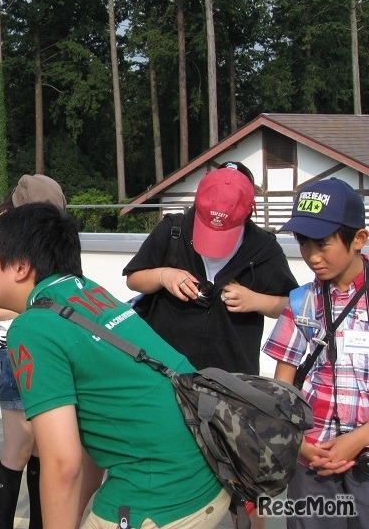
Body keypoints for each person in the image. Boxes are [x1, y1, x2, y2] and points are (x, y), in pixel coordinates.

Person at [0, 202, 229, 528]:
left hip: (160, 492)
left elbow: (62, 463)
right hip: (207, 469)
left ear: (20, 267)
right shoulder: (87, 292)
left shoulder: (31, 327)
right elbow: (91, 444)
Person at [124, 163, 297, 526]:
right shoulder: (171, 229)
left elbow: (291, 304)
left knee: (242, 479)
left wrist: (256, 301)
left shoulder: (263, 247)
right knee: (165, 470)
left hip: (231, 383)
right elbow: (134, 280)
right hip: (166, 377)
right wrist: (163, 275)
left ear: (247, 214)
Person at [263, 177, 369, 528]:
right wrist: (299, 443)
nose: (311, 256)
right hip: (312, 461)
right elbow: (283, 388)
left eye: (322, 244)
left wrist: (357, 439)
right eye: (303, 243)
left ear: (359, 239)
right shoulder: (301, 302)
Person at [0, 174, 67, 528]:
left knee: (43, 451)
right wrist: (28, 307)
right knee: (17, 452)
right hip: (15, 351)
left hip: (47, 349)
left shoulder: (39, 240)